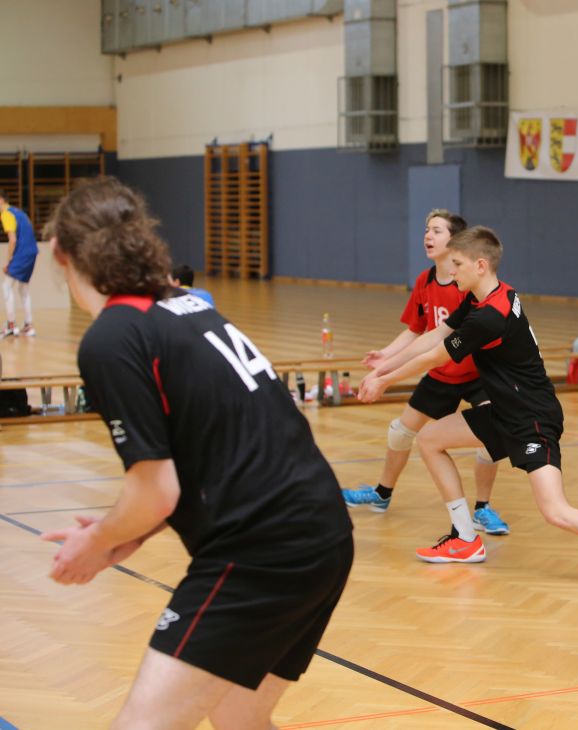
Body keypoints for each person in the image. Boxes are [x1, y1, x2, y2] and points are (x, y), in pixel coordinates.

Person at [41, 177, 353, 729]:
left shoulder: (114, 337)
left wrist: (99, 540)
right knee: (239, 718)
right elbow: (210, 457)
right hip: (323, 533)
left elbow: (156, 492)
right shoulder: (186, 306)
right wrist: (126, 536)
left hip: (260, 550)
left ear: (61, 252)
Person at [358, 225, 578, 592]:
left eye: (458, 264)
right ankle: (464, 539)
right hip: (505, 410)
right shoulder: (489, 295)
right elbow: (437, 333)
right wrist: (383, 367)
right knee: (430, 439)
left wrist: (384, 382)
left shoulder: (490, 316)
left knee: (555, 511)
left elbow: (436, 355)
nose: (451, 271)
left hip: (532, 418)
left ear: (480, 265)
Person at [341, 210, 509, 535]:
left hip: (478, 374)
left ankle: (483, 508)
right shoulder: (425, 281)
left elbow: (438, 345)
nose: (428, 236)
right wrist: (386, 356)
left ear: (456, 241)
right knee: (399, 433)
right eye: (426, 230)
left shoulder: (472, 286)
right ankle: (382, 493)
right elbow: (420, 331)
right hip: (441, 373)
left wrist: (385, 377)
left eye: (436, 230)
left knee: (490, 436)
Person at [1, 189, 38, 337]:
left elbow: (13, 240)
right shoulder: (19, 212)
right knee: (23, 289)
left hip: (22, 253)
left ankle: (11, 326)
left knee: (6, 286)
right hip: (32, 252)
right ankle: (29, 325)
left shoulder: (6, 214)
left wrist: (8, 261)